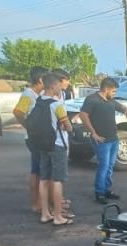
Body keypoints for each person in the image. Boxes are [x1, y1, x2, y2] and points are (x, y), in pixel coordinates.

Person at [78, 77, 127, 204]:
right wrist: (93, 133)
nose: (114, 94)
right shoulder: (92, 99)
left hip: (113, 139)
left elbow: (120, 106)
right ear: (106, 89)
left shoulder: (110, 100)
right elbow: (83, 115)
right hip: (101, 140)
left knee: (110, 166)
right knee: (103, 166)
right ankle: (99, 192)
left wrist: (126, 110)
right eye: (113, 91)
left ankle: (107, 190)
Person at [36, 73, 74, 226]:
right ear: (52, 86)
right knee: (57, 180)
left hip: (42, 144)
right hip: (57, 145)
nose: (61, 87)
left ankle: (45, 213)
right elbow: (68, 127)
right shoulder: (56, 105)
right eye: (59, 84)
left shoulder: (38, 101)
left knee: (44, 179)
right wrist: (69, 125)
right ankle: (58, 216)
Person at [12, 66, 48, 213]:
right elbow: (18, 111)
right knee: (40, 172)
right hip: (34, 139)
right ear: (40, 80)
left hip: (36, 138)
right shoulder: (28, 95)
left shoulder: (37, 94)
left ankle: (37, 203)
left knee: (37, 171)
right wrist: (28, 126)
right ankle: (37, 204)